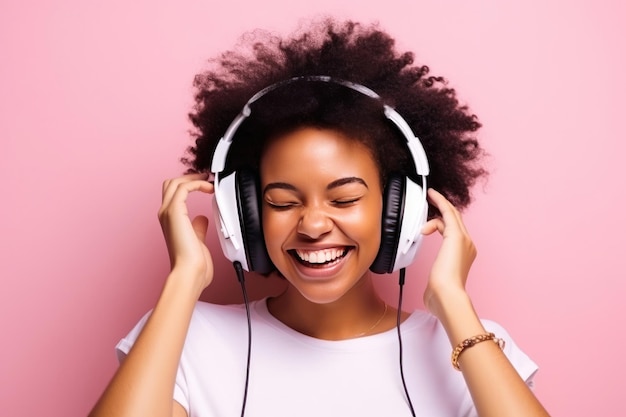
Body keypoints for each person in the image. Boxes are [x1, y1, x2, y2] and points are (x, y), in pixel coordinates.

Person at [90, 19, 550, 417]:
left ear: (401, 208)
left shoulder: (470, 344)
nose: (312, 226)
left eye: (344, 198)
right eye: (283, 202)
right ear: (243, 215)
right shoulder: (188, 339)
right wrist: (183, 280)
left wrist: (452, 301)